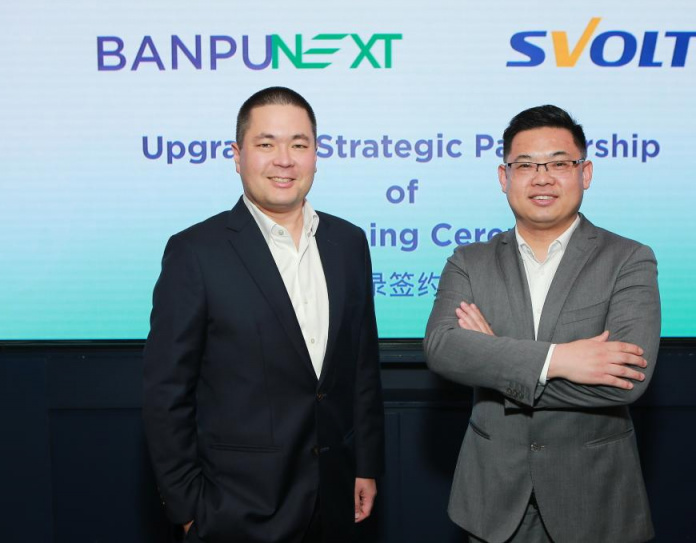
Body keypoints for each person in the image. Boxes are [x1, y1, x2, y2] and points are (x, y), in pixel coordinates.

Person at [143, 87, 384, 543]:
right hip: (234, 510)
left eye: (299, 144)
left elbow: (361, 368)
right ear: (237, 156)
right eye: (266, 143)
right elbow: (166, 393)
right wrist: (188, 510)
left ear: (316, 155)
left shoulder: (349, 243)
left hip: (334, 500)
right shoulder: (195, 252)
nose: (284, 160)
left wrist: (366, 465)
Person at [424, 105, 661, 543]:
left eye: (559, 164)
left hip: (595, 499)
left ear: (585, 173)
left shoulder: (628, 259)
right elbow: (443, 348)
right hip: (493, 499)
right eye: (526, 165)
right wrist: (560, 360)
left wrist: (494, 358)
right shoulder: (469, 262)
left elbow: (625, 382)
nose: (542, 178)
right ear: (504, 177)